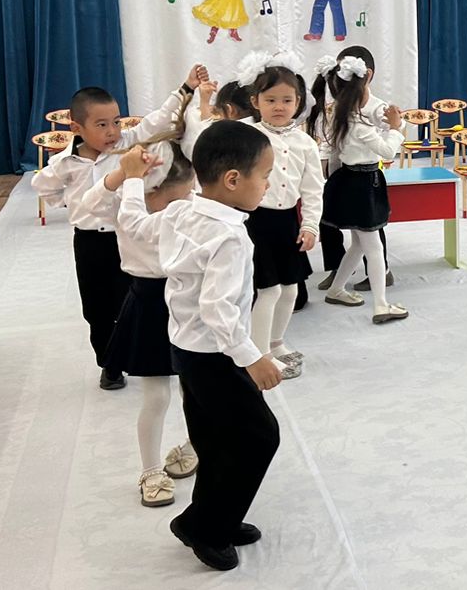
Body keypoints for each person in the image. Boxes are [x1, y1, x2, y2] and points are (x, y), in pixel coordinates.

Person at [154, 119, 280, 572]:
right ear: (232, 180)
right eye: (264, 175)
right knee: (259, 437)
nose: (268, 185)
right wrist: (253, 358)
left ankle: (217, 516)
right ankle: (204, 527)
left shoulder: (182, 211)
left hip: (187, 349)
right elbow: (218, 308)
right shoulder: (230, 236)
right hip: (215, 354)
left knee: (214, 438)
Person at [31, 68, 205, 389]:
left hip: (126, 238)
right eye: (101, 125)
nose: (112, 131)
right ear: (76, 128)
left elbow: (158, 119)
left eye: (116, 122)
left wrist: (186, 87)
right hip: (89, 243)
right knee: (96, 308)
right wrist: (69, 202)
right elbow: (42, 187)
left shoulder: (126, 144)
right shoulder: (65, 163)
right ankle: (109, 365)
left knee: (130, 302)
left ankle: (137, 355)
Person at [98, 144, 198, 507]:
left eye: (185, 197)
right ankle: (151, 470)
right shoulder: (127, 202)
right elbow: (87, 205)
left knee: (195, 389)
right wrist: (126, 176)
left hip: (187, 300)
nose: (178, 208)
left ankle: (194, 445)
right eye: (170, 201)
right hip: (148, 303)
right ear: (148, 191)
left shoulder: (188, 206)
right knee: (156, 396)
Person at [238, 52, 322, 378]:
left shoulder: (306, 143)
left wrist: (310, 225)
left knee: (290, 289)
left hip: (288, 223)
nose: (279, 106)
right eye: (270, 99)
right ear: (255, 101)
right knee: (268, 290)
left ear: (298, 102)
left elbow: (313, 189)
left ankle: (275, 343)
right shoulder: (246, 135)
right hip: (254, 222)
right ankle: (259, 354)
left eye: (287, 100)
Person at [307, 54, 407, 324]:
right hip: (362, 185)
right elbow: (387, 151)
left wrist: (392, 123)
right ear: (361, 87)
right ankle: (381, 305)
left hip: (350, 182)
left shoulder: (341, 117)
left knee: (359, 245)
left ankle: (337, 289)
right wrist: (395, 128)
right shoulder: (359, 125)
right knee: (373, 247)